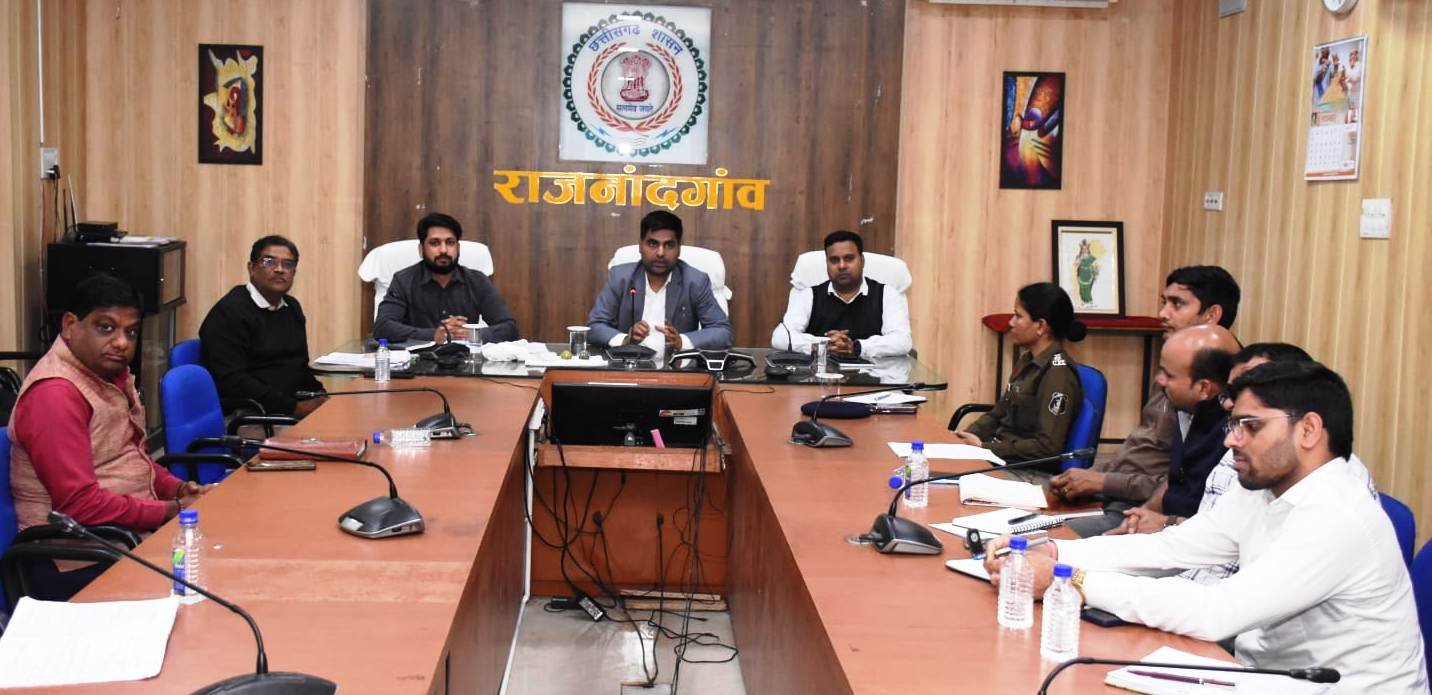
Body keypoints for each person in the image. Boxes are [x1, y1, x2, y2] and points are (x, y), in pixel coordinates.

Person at [982, 361, 1428, 693]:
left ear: (1309, 430)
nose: (1231, 440)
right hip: (1260, 677)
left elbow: (1216, 613)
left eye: (1250, 426)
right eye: (1233, 425)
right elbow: (1172, 549)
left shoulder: (1337, 517)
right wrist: (1055, 553)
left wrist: (1073, 581)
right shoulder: (1266, 488)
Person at [9, 274, 214, 599]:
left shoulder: (106, 377)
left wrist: (177, 488)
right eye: (106, 327)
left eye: (130, 332)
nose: (121, 342)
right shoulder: (55, 395)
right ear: (70, 325)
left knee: (228, 555)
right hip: (76, 559)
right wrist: (171, 510)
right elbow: (79, 505)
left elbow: (129, 457)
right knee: (214, 583)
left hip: (121, 539)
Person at [1054, 265, 1240, 536]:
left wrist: (1105, 485)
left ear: (1212, 315)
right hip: (1119, 500)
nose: (1162, 314)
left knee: (1037, 540)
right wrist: (1090, 477)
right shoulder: (1175, 372)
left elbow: (1179, 486)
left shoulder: (1220, 394)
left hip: (1145, 514)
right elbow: (1142, 453)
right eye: (1164, 303)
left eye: (1177, 304)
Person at [1175, 343, 1378, 585]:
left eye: (1252, 424)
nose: (1233, 401)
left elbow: (1236, 599)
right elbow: (1197, 544)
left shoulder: (1338, 507)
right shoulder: (1257, 462)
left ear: (1308, 428)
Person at [1100, 325, 1239, 535]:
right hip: (1157, 528)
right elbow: (1174, 479)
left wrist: (1166, 523)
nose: (1159, 380)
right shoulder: (1186, 408)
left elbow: (1221, 534)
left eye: (1169, 375)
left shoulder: (1233, 435)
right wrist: (1142, 515)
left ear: (1204, 387)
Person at [951, 283, 1085, 473]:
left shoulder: (1058, 375)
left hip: (1026, 470)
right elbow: (999, 412)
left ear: (1041, 326)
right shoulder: (1027, 360)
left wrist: (984, 448)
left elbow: (1046, 447)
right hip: (1000, 456)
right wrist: (964, 438)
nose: (1011, 322)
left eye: (1018, 316)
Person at [199, 235, 325, 417]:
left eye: (288, 264)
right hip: (249, 414)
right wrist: (294, 408)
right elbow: (233, 381)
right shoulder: (230, 313)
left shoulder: (291, 307)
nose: (280, 269)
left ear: (294, 273)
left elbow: (299, 367)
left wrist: (320, 395)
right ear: (251, 268)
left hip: (288, 407)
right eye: (269, 262)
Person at [587, 210, 733, 351]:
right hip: (629, 365)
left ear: (679, 248)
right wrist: (625, 339)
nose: (661, 253)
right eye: (653, 244)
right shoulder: (620, 277)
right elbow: (594, 327)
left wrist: (682, 341)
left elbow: (722, 332)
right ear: (640, 245)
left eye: (669, 245)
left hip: (675, 366)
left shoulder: (695, 281)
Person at [373, 212, 518, 344]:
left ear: (458, 248)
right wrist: (433, 334)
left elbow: (509, 328)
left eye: (450, 242)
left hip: (466, 360)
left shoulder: (477, 281)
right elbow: (383, 328)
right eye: (434, 243)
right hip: (418, 360)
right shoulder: (404, 281)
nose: (443, 250)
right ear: (421, 249)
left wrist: (469, 334)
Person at [770, 229, 911, 358]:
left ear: (862, 261)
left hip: (875, 375)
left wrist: (856, 347)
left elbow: (902, 341)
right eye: (834, 260)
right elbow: (780, 337)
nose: (842, 266)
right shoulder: (809, 295)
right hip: (817, 376)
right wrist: (824, 345)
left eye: (849, 258)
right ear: (827, 264)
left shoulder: (887, 294)